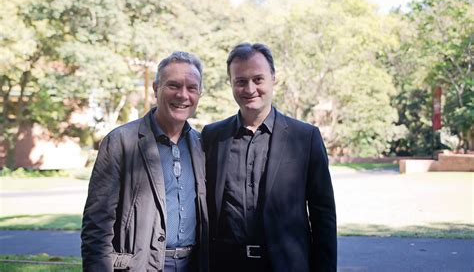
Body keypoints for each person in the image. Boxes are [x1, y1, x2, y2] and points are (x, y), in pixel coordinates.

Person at [202, 43, 336, 272]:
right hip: (225, 266)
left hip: (286, 265)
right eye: (241, 81)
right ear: (231, 84)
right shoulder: (212, 137)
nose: (250, 88)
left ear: (273, 78)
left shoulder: (305, 138)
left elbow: (323, 216)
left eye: (258, 79)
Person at [81, 51, 209, 272]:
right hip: (142, 266)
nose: (183, 95)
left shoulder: (203, 144)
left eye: (192, 88)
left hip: (194, 264)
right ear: (156, 88)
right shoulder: (121, 142)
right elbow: (97, 226)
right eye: (173, 85)